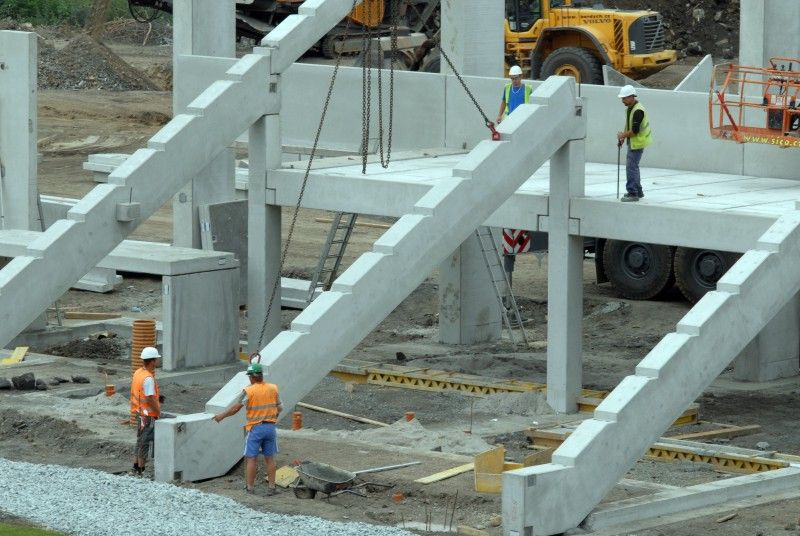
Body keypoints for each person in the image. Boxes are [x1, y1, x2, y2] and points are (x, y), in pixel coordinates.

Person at [213, 362, 283, 495]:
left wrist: (221, 416)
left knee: (251, 458)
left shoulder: (249, 391)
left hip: (256, 429)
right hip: (270, 428)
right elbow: (280, 407)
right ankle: (272, 487)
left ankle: (250, 488)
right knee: (270, 458)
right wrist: (272, 417)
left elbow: (236, 408)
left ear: (252, 377)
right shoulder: (273, 388)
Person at [616, 85, 652, 202]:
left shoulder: (638, 111)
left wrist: (623, 135)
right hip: (633, 142)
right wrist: (624, 138)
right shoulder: (631, 109)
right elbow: (629, 125)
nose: (622, 101)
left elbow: (635, 131)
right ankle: (638, 191)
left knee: (631, 167)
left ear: (632, 97)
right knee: (634, 167)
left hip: (638, 142)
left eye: (624, 98)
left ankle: (633, 193)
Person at [130, 346, 161, 476]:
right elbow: (149, 398)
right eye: (157, 359)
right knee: (145, 441)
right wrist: (158, 412)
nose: (158, 361)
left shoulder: (138, 372)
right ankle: (141, 470)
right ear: (152, 361)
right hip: (147, 415)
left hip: (139, 411)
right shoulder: (148, 378)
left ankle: (135, 466)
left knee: (139, 439)